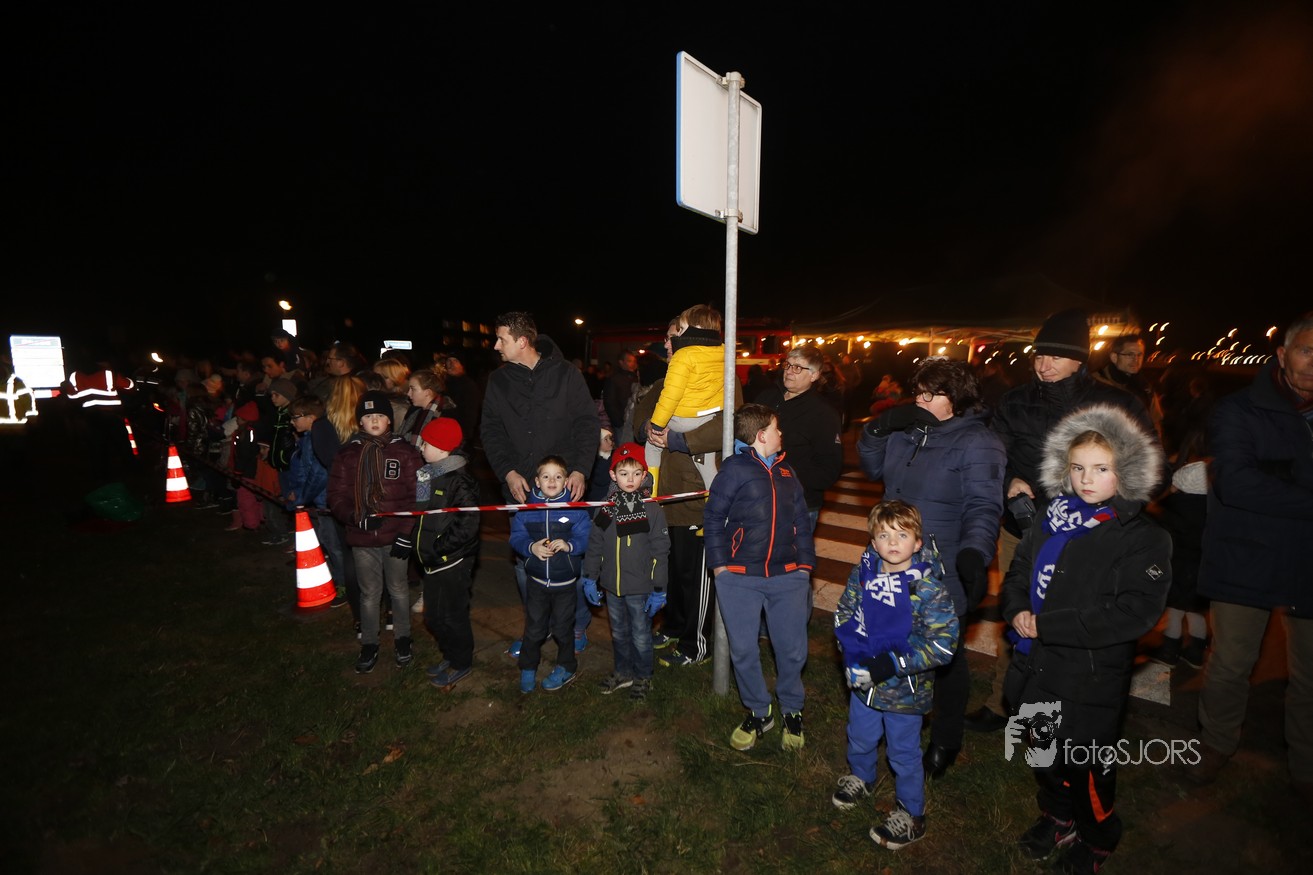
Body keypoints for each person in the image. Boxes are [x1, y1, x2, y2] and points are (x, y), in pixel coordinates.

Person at [966, 308, 1158, 733]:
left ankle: (1062, 713)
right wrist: (1008, 482)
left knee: (1070, 620)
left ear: (1080, 359)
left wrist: (1107, 514)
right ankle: (1004, 700)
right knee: (1018, 611)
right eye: (1039, 355)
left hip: (1090, 538)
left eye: (1055, 355)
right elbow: (990, 456)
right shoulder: (1015, 400)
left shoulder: (1116, 404)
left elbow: (1146, 469)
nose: (1044, 364)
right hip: (1023, 530)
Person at [1001, 403, 1169, 873]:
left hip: (1088, 677)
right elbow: (1019, 570)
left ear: (1126, 473)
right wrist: (1016, 609)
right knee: (1043, 749)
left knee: (1084, 765)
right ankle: (1058, 815)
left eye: (1101, 469)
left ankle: (1097, 836)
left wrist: (1048, 625)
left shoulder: (1142, 538)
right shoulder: (1050, 517)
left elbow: (1133, 612)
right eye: (1077, 468)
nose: (1086, 479)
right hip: (1035, 662)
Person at [1185, 312, 1313, 800]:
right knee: (1232, 660)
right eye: (1306, 350)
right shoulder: (1240, 409)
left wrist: (1278, 480)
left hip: (1307, 557)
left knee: (1310, 673)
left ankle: (1305, 767)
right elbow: (1237, 484)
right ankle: (1216, 743)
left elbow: (1258, 482)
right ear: (1282, 354)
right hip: (1246, 554)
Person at [858, 358, 1005, 778]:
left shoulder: (978, 442)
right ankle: (889, 721)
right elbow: (871, 466)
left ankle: (945, 738)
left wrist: (975, 553)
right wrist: (878, 429)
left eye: (930, 394)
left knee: (945, 659)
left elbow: (983, 505)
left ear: (956, 399)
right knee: (890, 643)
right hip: (890, 559)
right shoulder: (909, 432)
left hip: (938, 567)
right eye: (918, 393)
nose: (919, 401)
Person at [832, 500, 958, 851]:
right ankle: (861, 776)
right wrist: (849, 651)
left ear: (917, 543)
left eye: (902, 535)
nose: (892, 542)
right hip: (864, 686)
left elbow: (943, 645)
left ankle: (911, 813)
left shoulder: (927, 589)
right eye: (884, 535)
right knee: (860, 736)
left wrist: (892, 664)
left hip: (905, 691)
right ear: (873, 542)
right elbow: (845, 611)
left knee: (903, 753)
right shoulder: (864, 574)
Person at [480, 311, 599, 656]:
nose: (496, 345)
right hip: (521, 491)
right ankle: (537, 628)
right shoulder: (498, 381)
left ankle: (576, 624)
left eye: (501, 338)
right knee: (526, 562)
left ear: (522, 341)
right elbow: (491, 431)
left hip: (566, 489)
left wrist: (580, 470)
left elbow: (586, 424)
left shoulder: (566, 374)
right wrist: (508, 472)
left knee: (570, 558)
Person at [704, 404, 815, 751]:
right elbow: (713, 519)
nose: (781, 434)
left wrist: (805, 566)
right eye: (776, 429)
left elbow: (802, 521)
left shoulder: (787, 472)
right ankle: (758, 709)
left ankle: (792, 709)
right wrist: (720, 568)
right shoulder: (733, 470)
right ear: (762, 435)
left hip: (788, 576)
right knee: (743, 650)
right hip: (740, 577)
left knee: (792, 650)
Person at [327, 390, 423, 674]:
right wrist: (356, 518)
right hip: (363, 538)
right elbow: (336, 496)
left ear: (389, 420)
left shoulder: (406, 453)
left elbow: (420, 494)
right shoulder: (347, 455)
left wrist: (406, 532)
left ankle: (403, 638)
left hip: (395, 537)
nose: (375, 421)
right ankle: (369, 642)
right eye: (368, 417)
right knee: (369, 593)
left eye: (380, 415)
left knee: (399, 589)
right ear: (360, 422)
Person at [581, 442, 671, 701]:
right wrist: (590, 577)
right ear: (613, 475)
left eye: (636, 473)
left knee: (641, 635)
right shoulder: (606, 508)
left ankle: (643, 676)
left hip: (640, 587)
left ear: (644, 475)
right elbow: (595, 544)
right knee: (619, 632)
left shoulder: (651, 509)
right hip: (612, 586)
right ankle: (624, 671)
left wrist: (659, 588)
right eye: (623, 473)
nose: (630, 479)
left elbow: (661, 552)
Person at [405, 417, 481, 690]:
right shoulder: (426, 475)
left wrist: (438, 548)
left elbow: (468, 525)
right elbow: (420, 514)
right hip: (431, 561)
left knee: (452, 616)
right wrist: (413, 541)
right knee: (433, 617)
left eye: (426, 443)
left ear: (442, 448)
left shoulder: (460, 481)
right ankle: (450, 655)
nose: (421, 446)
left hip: (451, 562)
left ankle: (461, 662)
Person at [510, 456, 593, 693]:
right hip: (536, 582)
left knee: (563, 629)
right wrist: (531, 547)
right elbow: (516, 537)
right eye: (546, 476)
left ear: (566, 481)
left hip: (565, 584)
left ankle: (566, 666)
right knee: (534, 628)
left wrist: (570, 545)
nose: (552, 481)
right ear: (537, 482)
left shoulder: (576, 510)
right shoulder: (527, 510)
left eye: (558, 477)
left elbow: (586, 538)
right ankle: (528, 667)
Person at [754, 345, 844, 531]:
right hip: (756, 496)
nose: (789, 371)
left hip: (797, 506)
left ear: (814, 375)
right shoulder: (766, 397)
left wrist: (782, 474)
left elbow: (828, 470)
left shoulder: (823, 414)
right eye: (787, 365)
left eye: (797, 368)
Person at [645, 304, 726, 487]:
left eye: (681, 329)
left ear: (695, 329)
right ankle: (715, 498)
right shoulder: (724, 353)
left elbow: (671, 395)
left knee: (652, 445)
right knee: (707, 465)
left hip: (683, 419)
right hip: (707, 419)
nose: (678, 335)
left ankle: (652, 488)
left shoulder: (683, 355)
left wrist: (657, 424)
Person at [282, 394, 347, 608]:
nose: (292, 422)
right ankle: (339, 578)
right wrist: (298, 492)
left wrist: (302, 498)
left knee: (334, 545)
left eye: (295, 417)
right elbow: (305, 469)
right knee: (328, 541)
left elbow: (319, 474)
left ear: (310, 417)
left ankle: (344, 585)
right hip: (319, 500)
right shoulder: (309, 437)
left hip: (326, 500)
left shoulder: (317, 437)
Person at [1092, 334, 1154, 417]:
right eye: (1129, 355)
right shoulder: (1096, 384)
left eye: (1139, 354)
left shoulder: (1145, 387)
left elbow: (1155, 419)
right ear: (1114, 357)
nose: (1136, 359)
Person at [602, 350, 640, 439]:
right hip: (621, 423)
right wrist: (618, 422)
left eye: (634, 361)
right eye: (629, 361)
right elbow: (609, 402)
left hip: (634, 422)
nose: (632, 364)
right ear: (621, 362)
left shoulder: (637, 378)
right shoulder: (614, 379)